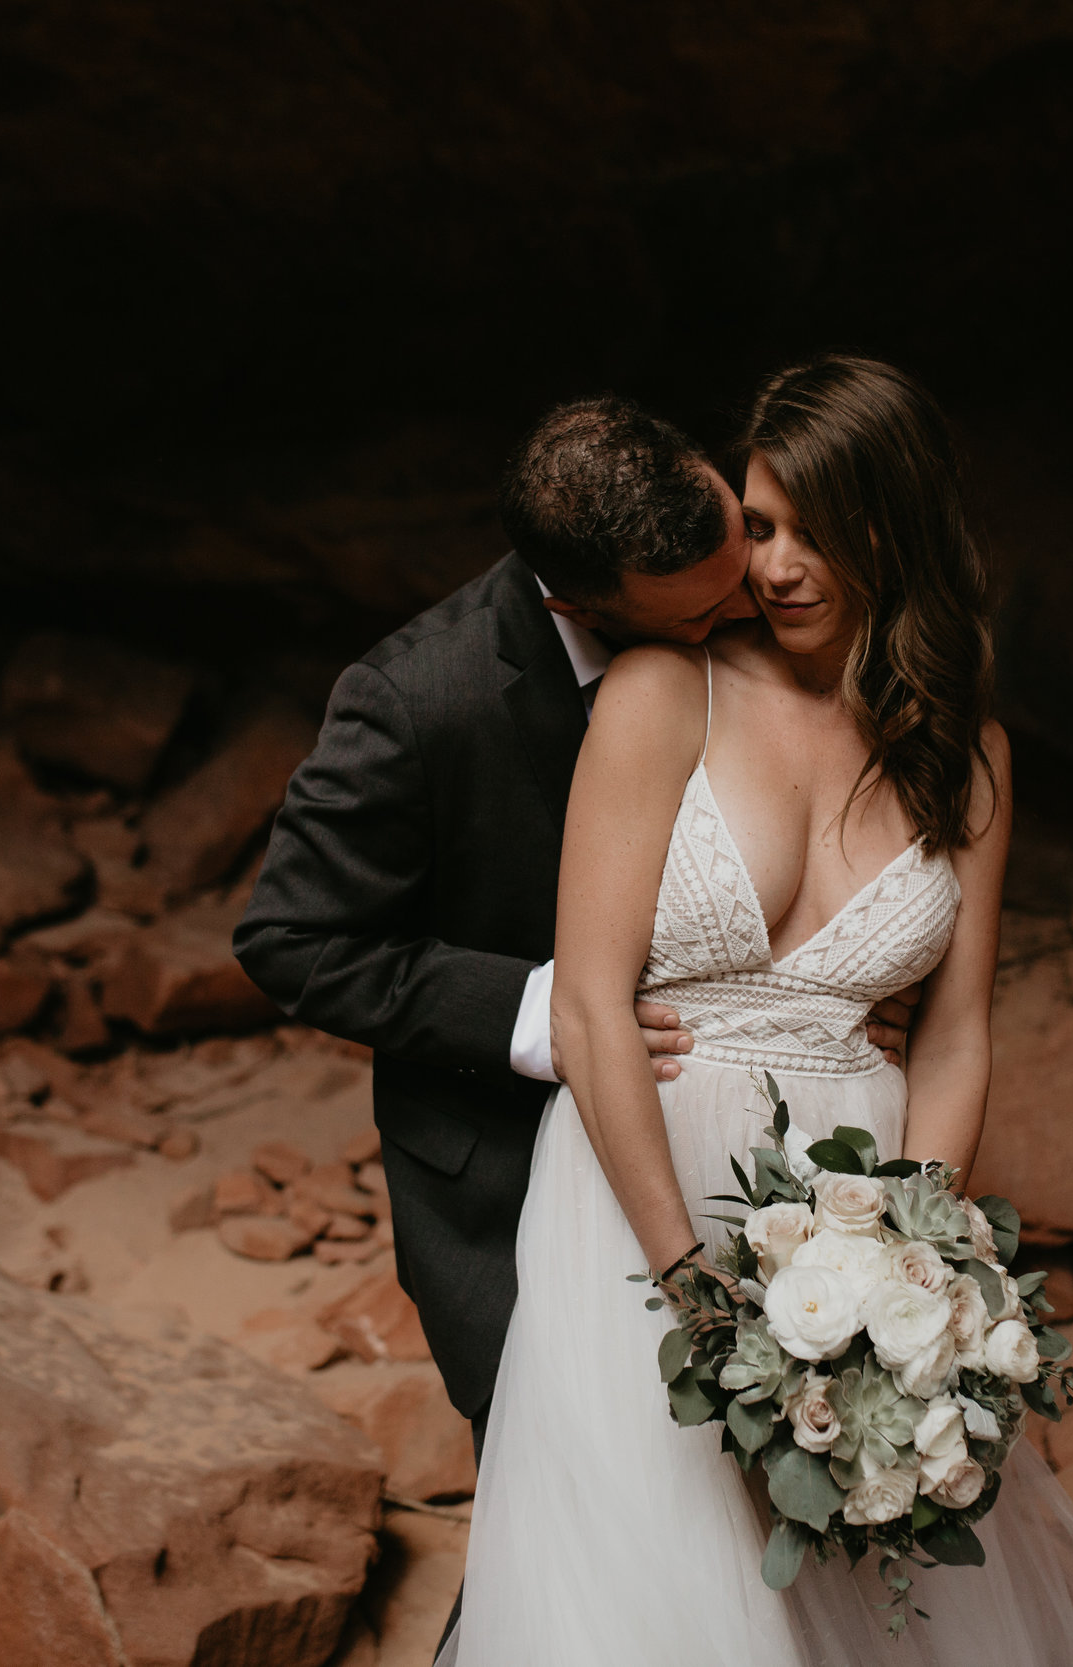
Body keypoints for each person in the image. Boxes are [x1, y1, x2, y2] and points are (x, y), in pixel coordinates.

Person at [440, 356, 1073, 1665]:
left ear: (894, 528)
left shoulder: (967, 748)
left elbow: (951, 1032)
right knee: (665, 1603)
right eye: (757, 524)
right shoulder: (670, 684)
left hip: (851, 1218)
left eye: (808, 529)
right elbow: (595, 1002)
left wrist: (909, 1256)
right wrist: (683, 1278)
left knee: (863, 1591)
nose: (771, 565)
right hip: (639, 1199)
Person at [234, 396, 914, 1448]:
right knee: (566, 1507)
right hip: (502, 1175)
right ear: (575, 606)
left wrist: (838, 989)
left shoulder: (736, 578)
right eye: (696, 617)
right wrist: (546, 1012)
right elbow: (291, 937)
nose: (749, 602)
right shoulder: (418, 699)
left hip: (745, 1146)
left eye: (744, 548)